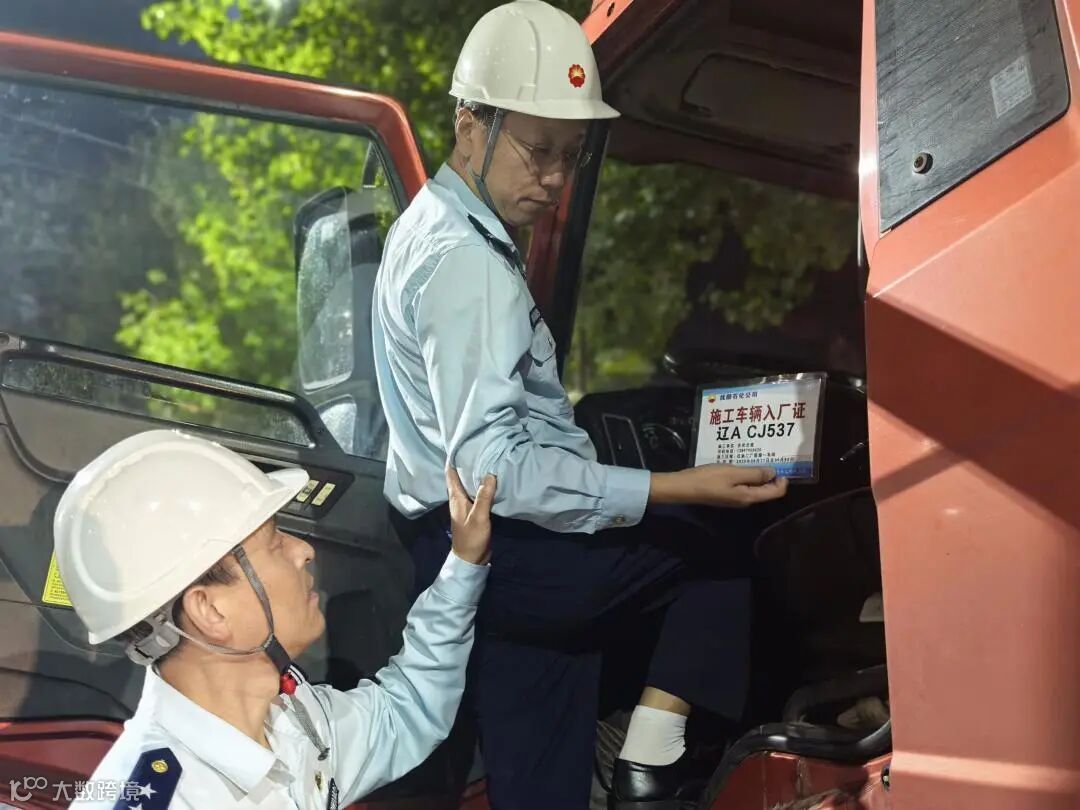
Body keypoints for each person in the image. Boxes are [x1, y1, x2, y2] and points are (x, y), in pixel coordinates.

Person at [372, 2, 789, 807]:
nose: (556, 179)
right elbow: (495, 468)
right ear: (470, 125)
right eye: (539, 152)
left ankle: (615, 752)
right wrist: (675, 487)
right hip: (507, 547)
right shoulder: (470, 264)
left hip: (457, 552)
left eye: (571, 156)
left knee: (538, 778)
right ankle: (649, 760)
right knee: (722, 538)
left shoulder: (428, 227)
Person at [55, 429, 495, 809]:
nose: (303, 550)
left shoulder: (293, 720)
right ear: (210, 610)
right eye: (273, 544)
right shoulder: (168, 796)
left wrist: (464, 564)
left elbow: (404, 711)